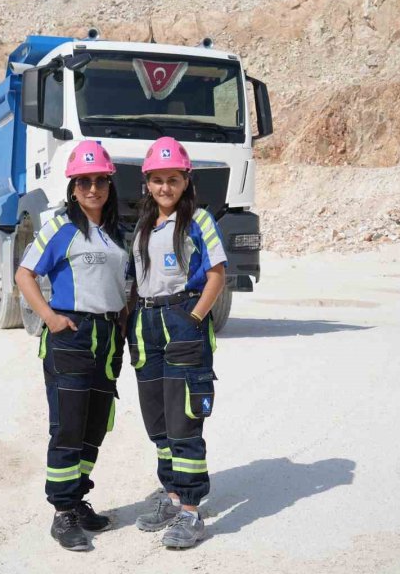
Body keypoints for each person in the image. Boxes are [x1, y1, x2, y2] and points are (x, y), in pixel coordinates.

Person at [15, 140, 128, 551]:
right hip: (72, 337)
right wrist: (49, 317)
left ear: (110, 185)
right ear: (73, 188)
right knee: (68, 425)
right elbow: (25, 274)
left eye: (100, 181)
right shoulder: (60, 228)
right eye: (84, 182)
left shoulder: (118, 233)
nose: (93, 189)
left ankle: (77, 499)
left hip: (107, 338)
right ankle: (62, 513)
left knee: (94, 426)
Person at [127, 136, 227, 549]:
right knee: (159, 420)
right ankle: (170, 497)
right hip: (146, 323)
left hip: (181, 318)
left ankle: (190, 511)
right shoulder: (143, 225)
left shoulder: (199, 220)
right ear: (147, 182)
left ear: (186, 181)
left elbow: (218, 274)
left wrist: (194, 318)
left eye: (173, 179)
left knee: (184, 419)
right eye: (157, 179)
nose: (164, 187)